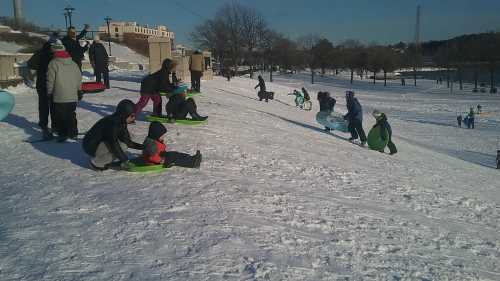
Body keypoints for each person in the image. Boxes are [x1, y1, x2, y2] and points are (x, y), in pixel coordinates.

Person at [83, 99, 144, 171]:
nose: (134, 118)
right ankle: (96, 163)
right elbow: (114, 144)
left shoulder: (121, 121)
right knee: (122, 146)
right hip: (91, 146)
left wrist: (143, 147)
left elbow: (127, 140)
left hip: (100, 141)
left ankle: (101, 158)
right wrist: (124, 160)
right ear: (125, 114)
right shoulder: (112, 124)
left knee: (126, 141)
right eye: (132, 115)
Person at [46, 40, 82, 142]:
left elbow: (50, 80)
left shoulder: (53, 63)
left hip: (59, 95)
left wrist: (49, 92)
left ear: (54, 52)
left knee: (60, 116)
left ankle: (63, 133)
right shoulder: (73, 63)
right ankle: (73, 132)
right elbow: (79, 78)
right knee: (71, 114)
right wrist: (79, 90)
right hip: (72, 95)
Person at [27, 32, 58, 140]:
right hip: (53, 84)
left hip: (41, 83)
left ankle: (43, 124)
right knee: (54, 105)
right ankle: (55, 126)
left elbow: (30, 64)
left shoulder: (39, 53)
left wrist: (39, 68)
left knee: (43, 105)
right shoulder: (55, 55)